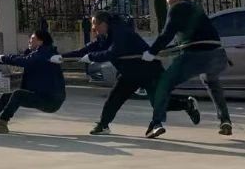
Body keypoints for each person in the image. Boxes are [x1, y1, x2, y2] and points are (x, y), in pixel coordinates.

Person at [64, 11, 200, 135]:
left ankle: (186, 104)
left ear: (104, 24)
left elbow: (113, 52)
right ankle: (103, 125)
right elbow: (84, 51)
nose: (93, 28)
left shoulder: (121, 31)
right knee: (114, 99)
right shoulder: (104, 37)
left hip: (149, 70)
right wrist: (60, 57)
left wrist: (91, 57)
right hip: (129, 73)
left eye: (95, 24)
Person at [144, 0, 233, 139]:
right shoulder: (196, 8)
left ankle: (156, 124)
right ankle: (225, 120)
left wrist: (151, 52)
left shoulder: (176, 8)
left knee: (164, 84)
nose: (166, 0)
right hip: (217, 54)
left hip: (195, 55)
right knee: (213, 84)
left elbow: (167, 34)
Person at [0, 29, 66, 133]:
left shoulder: (45, 54)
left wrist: (4, 58)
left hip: (51, 100)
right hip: (41, 95)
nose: (29, 41)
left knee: (18, 94)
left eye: (32, 39)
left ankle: (1, 124)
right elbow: (18, 58)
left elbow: (23, 61)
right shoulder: (37, 54)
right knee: (8, 95)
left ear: (41, 41)